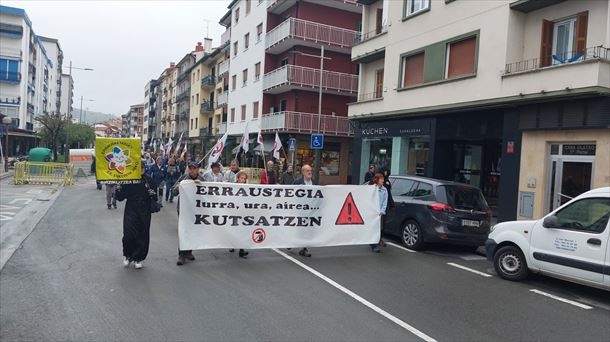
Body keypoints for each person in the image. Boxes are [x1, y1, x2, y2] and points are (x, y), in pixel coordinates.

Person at [115, 164, 157, 269]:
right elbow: (120, 197)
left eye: (142, 168)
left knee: (143, 234)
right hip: (131, 208)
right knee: (128, 233)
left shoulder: (149, 181)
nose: (141, 170)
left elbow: (155, 196)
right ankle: (128, 255)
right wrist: (119, 187)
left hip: (144, 209)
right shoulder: (129, 180)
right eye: (139, 168)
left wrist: (152, 194)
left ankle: (138, 258)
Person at [172, 161, 204, 266]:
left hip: (196, 210)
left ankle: (189, 251)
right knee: (183, 231)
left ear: (198, 169)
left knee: (192, 230)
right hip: (183, 209)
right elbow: (173, 191)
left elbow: (209, 192)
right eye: (190, 168)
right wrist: (177, 188)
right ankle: (181, 254)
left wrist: (202, 185)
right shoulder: (184, 178)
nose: (192, 170)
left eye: (194, 168)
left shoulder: (202, 179)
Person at [292, 164, 316, 257]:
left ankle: (304, 249)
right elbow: (291, 194)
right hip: (299, 210)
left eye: (310, 170)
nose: (310, 172)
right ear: (303, 172)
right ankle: (291, 242)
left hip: (310, 211)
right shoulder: (297, 182)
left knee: (306, 230)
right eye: (307, 171)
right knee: (297, 229)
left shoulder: (314, 182)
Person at [228, 170, 249, 258]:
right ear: (238, 178)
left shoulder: (248, 188)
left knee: (242, 230)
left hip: (243, 212)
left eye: (244, 179)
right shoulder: (233, 186)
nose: (243, 180)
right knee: (234, 229)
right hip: (234, 211)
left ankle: (241, 249)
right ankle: (232, 245)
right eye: (241, 178)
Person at [369, 172, 388, 253]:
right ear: (377, 180)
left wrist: (382, 210)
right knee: (374, 229)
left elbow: (385, 201)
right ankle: (374, 245)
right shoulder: (372, 189)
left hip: (380, 213)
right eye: (381, 179)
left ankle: (379, 240)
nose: (383, 180)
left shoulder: (384, 190)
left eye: (383, 179)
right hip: (373, 212)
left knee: (381, 228)